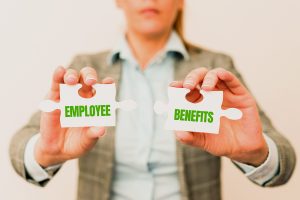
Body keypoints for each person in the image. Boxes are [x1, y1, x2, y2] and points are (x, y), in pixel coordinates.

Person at [9, 0, 296, 200]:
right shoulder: (86, 68)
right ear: (118, 0)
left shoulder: (216, 67)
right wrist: (44, 153)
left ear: (180, 1)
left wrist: (255, 153)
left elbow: (283, 162)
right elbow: (20, 146)